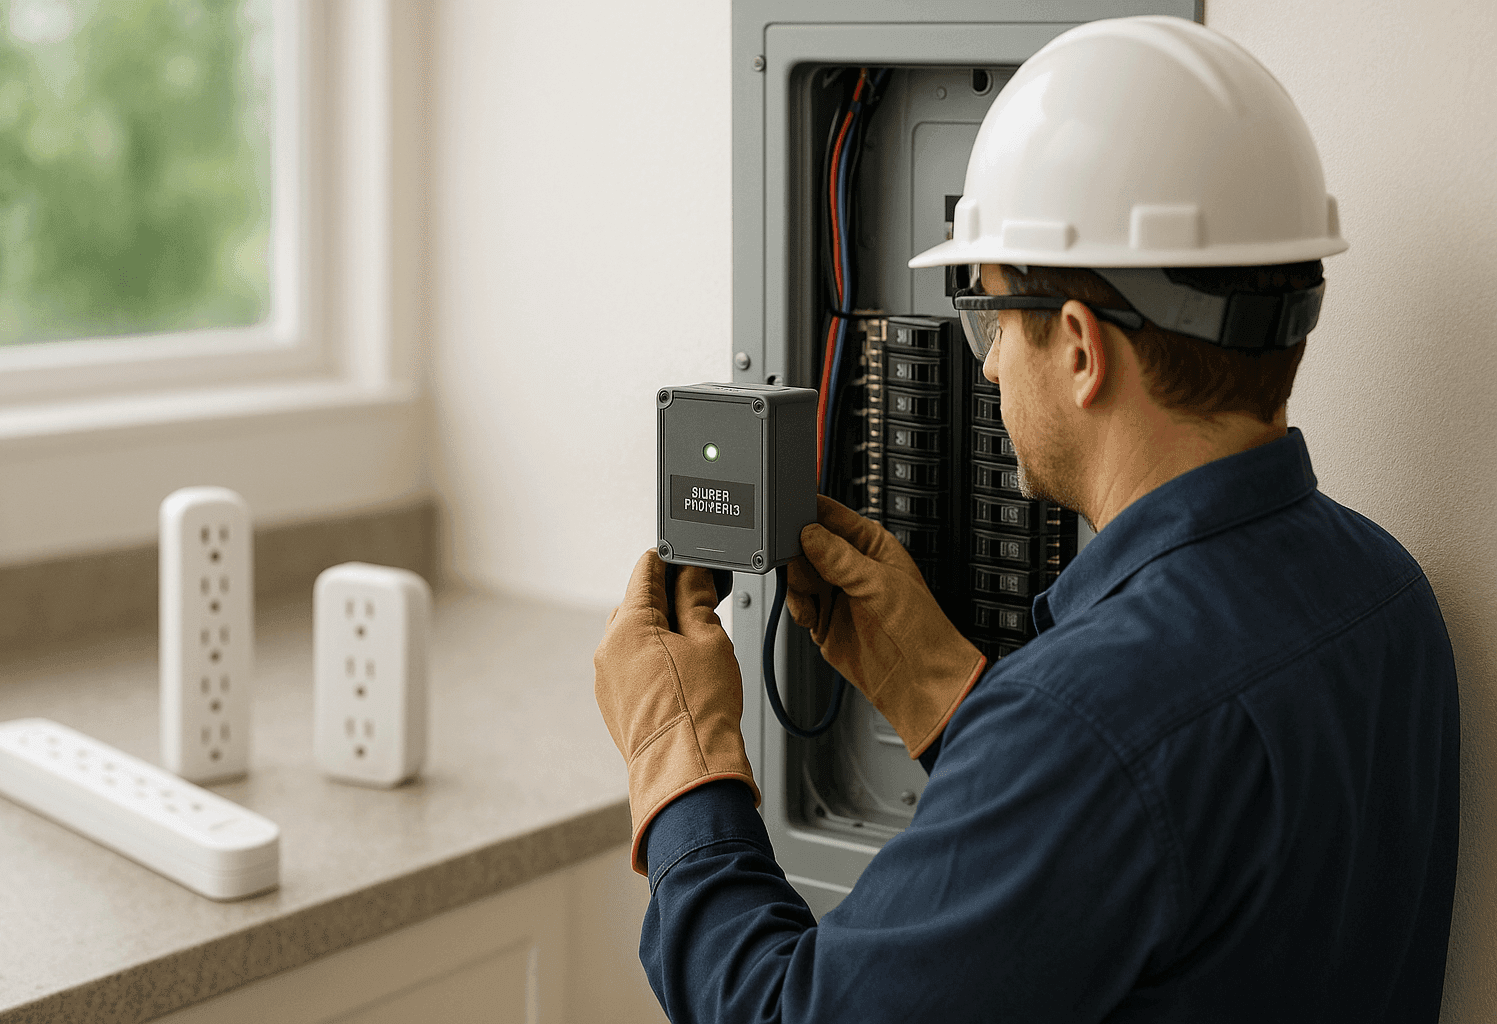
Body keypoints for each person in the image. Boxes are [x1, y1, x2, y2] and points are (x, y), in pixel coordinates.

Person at [593, 15, 1458, 1022]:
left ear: (1083, 349)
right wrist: (943, 690)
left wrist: (679, 757)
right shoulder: (1387, 595)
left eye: (994, 316)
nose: (993, 362)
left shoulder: (1087, 725)